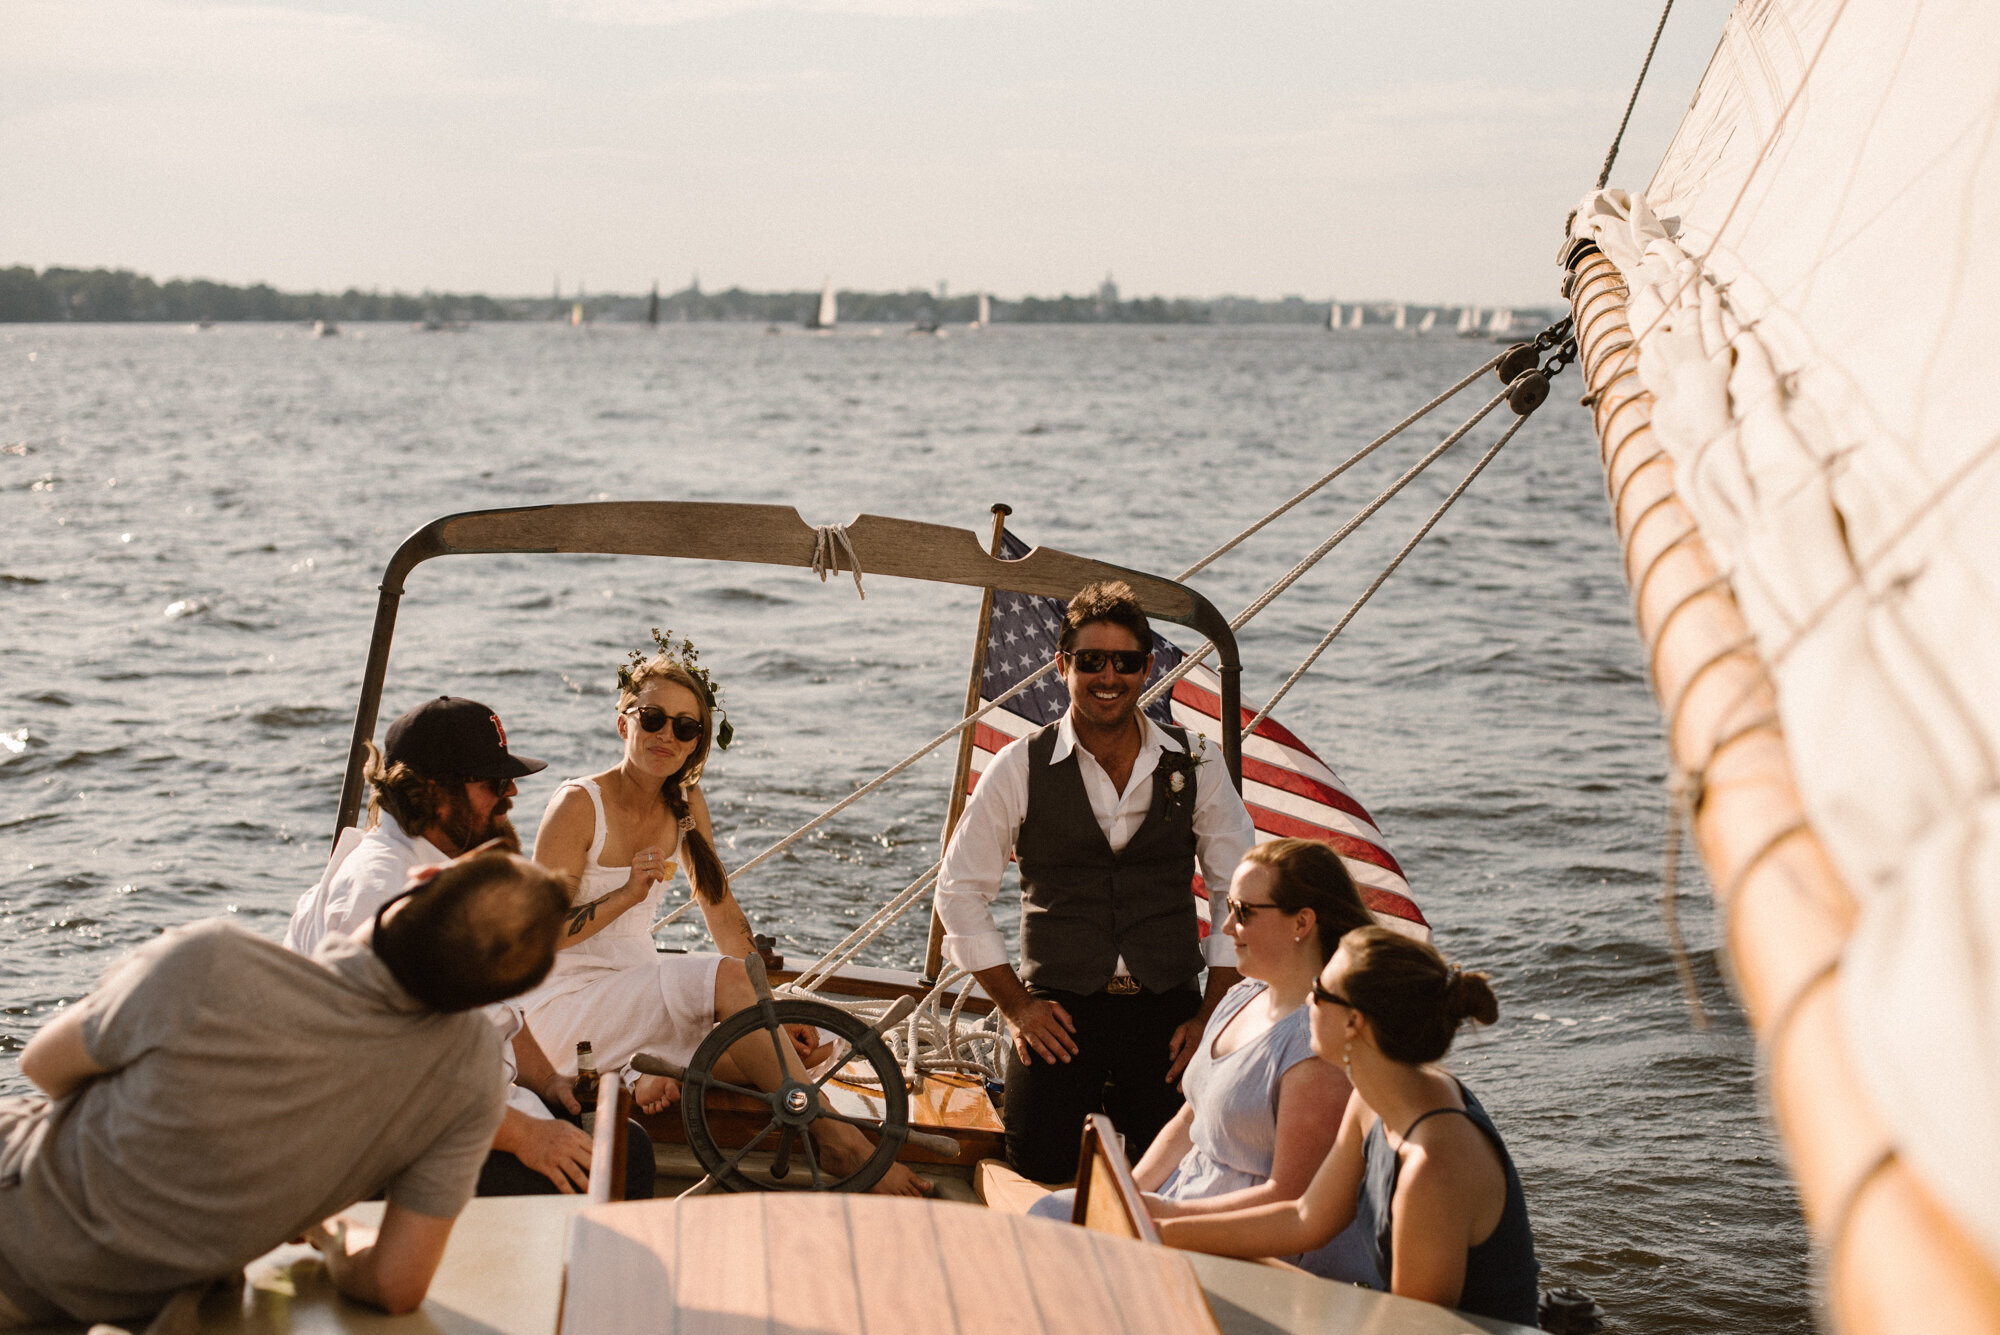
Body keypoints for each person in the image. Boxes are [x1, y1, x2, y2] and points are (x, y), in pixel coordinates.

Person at [0, 851, 570, 1328]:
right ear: (494, 994)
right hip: (142, 1298)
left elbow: (42, 1065)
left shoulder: (212, 961)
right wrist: (327, 1237)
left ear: (420, 878)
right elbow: (397, 1285)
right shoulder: (470, 1074)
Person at [525, 639, 927, 1197]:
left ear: (698, 744)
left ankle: (648, 1073)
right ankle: (835, 1137)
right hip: (560, 1008)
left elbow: (719, 909)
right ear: (623, 723)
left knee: (793, 1043)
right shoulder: (577, 805)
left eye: (686, 728)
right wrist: (623, 896)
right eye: (654, 718)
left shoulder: (685, 804)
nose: (668, 735)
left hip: (629, 991)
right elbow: (532, 939)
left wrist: (771, 1005)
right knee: (742, 1005)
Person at [935, 580, 1258, 1183]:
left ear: (1148, 668)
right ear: (1063, 666)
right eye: (1090, 661)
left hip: (1170, 1017)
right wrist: (1016, 1005)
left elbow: (1238, 892)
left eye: (1125, 662)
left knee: (1182, 1176)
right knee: (1038, 1167)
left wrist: (1211, 1016)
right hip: (1059, 1015)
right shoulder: (1019, 767)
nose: (1108, 676)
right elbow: (958, 892)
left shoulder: (1197, 763)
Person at [281, 695, 652, 1200]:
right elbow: (392, 1078)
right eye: (493, 784)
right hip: (387, 1151)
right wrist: (527, 1137)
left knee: (620, 1144)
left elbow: (494, 1013)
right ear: (436, 793)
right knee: (617, 1162)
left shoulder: (441, 863)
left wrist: (549, 1083)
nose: (512, 794)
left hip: (466, 1109)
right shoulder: (381, 894)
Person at [1027, 838, 1382, 1284]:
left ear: (1302, 922)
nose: (1228, 927)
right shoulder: (1238, 997)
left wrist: (1167, 1217)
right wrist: (1130, 1195)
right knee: (1047, 1216)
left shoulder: (1316, 1046)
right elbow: (1188, 1120)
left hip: (1252, 1247)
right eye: (1229, 907)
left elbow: (1291, 1199)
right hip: (1185, 1202)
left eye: (1245, 912)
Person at [1158, 927, 1541, 1326]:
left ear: (1353, 1022)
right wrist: (1162, 1228)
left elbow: (1411, 1328)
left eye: (1320, 993)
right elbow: (1305, 1219)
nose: (1307, 1000)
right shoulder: (1375, 1098)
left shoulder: (1431, 1168)